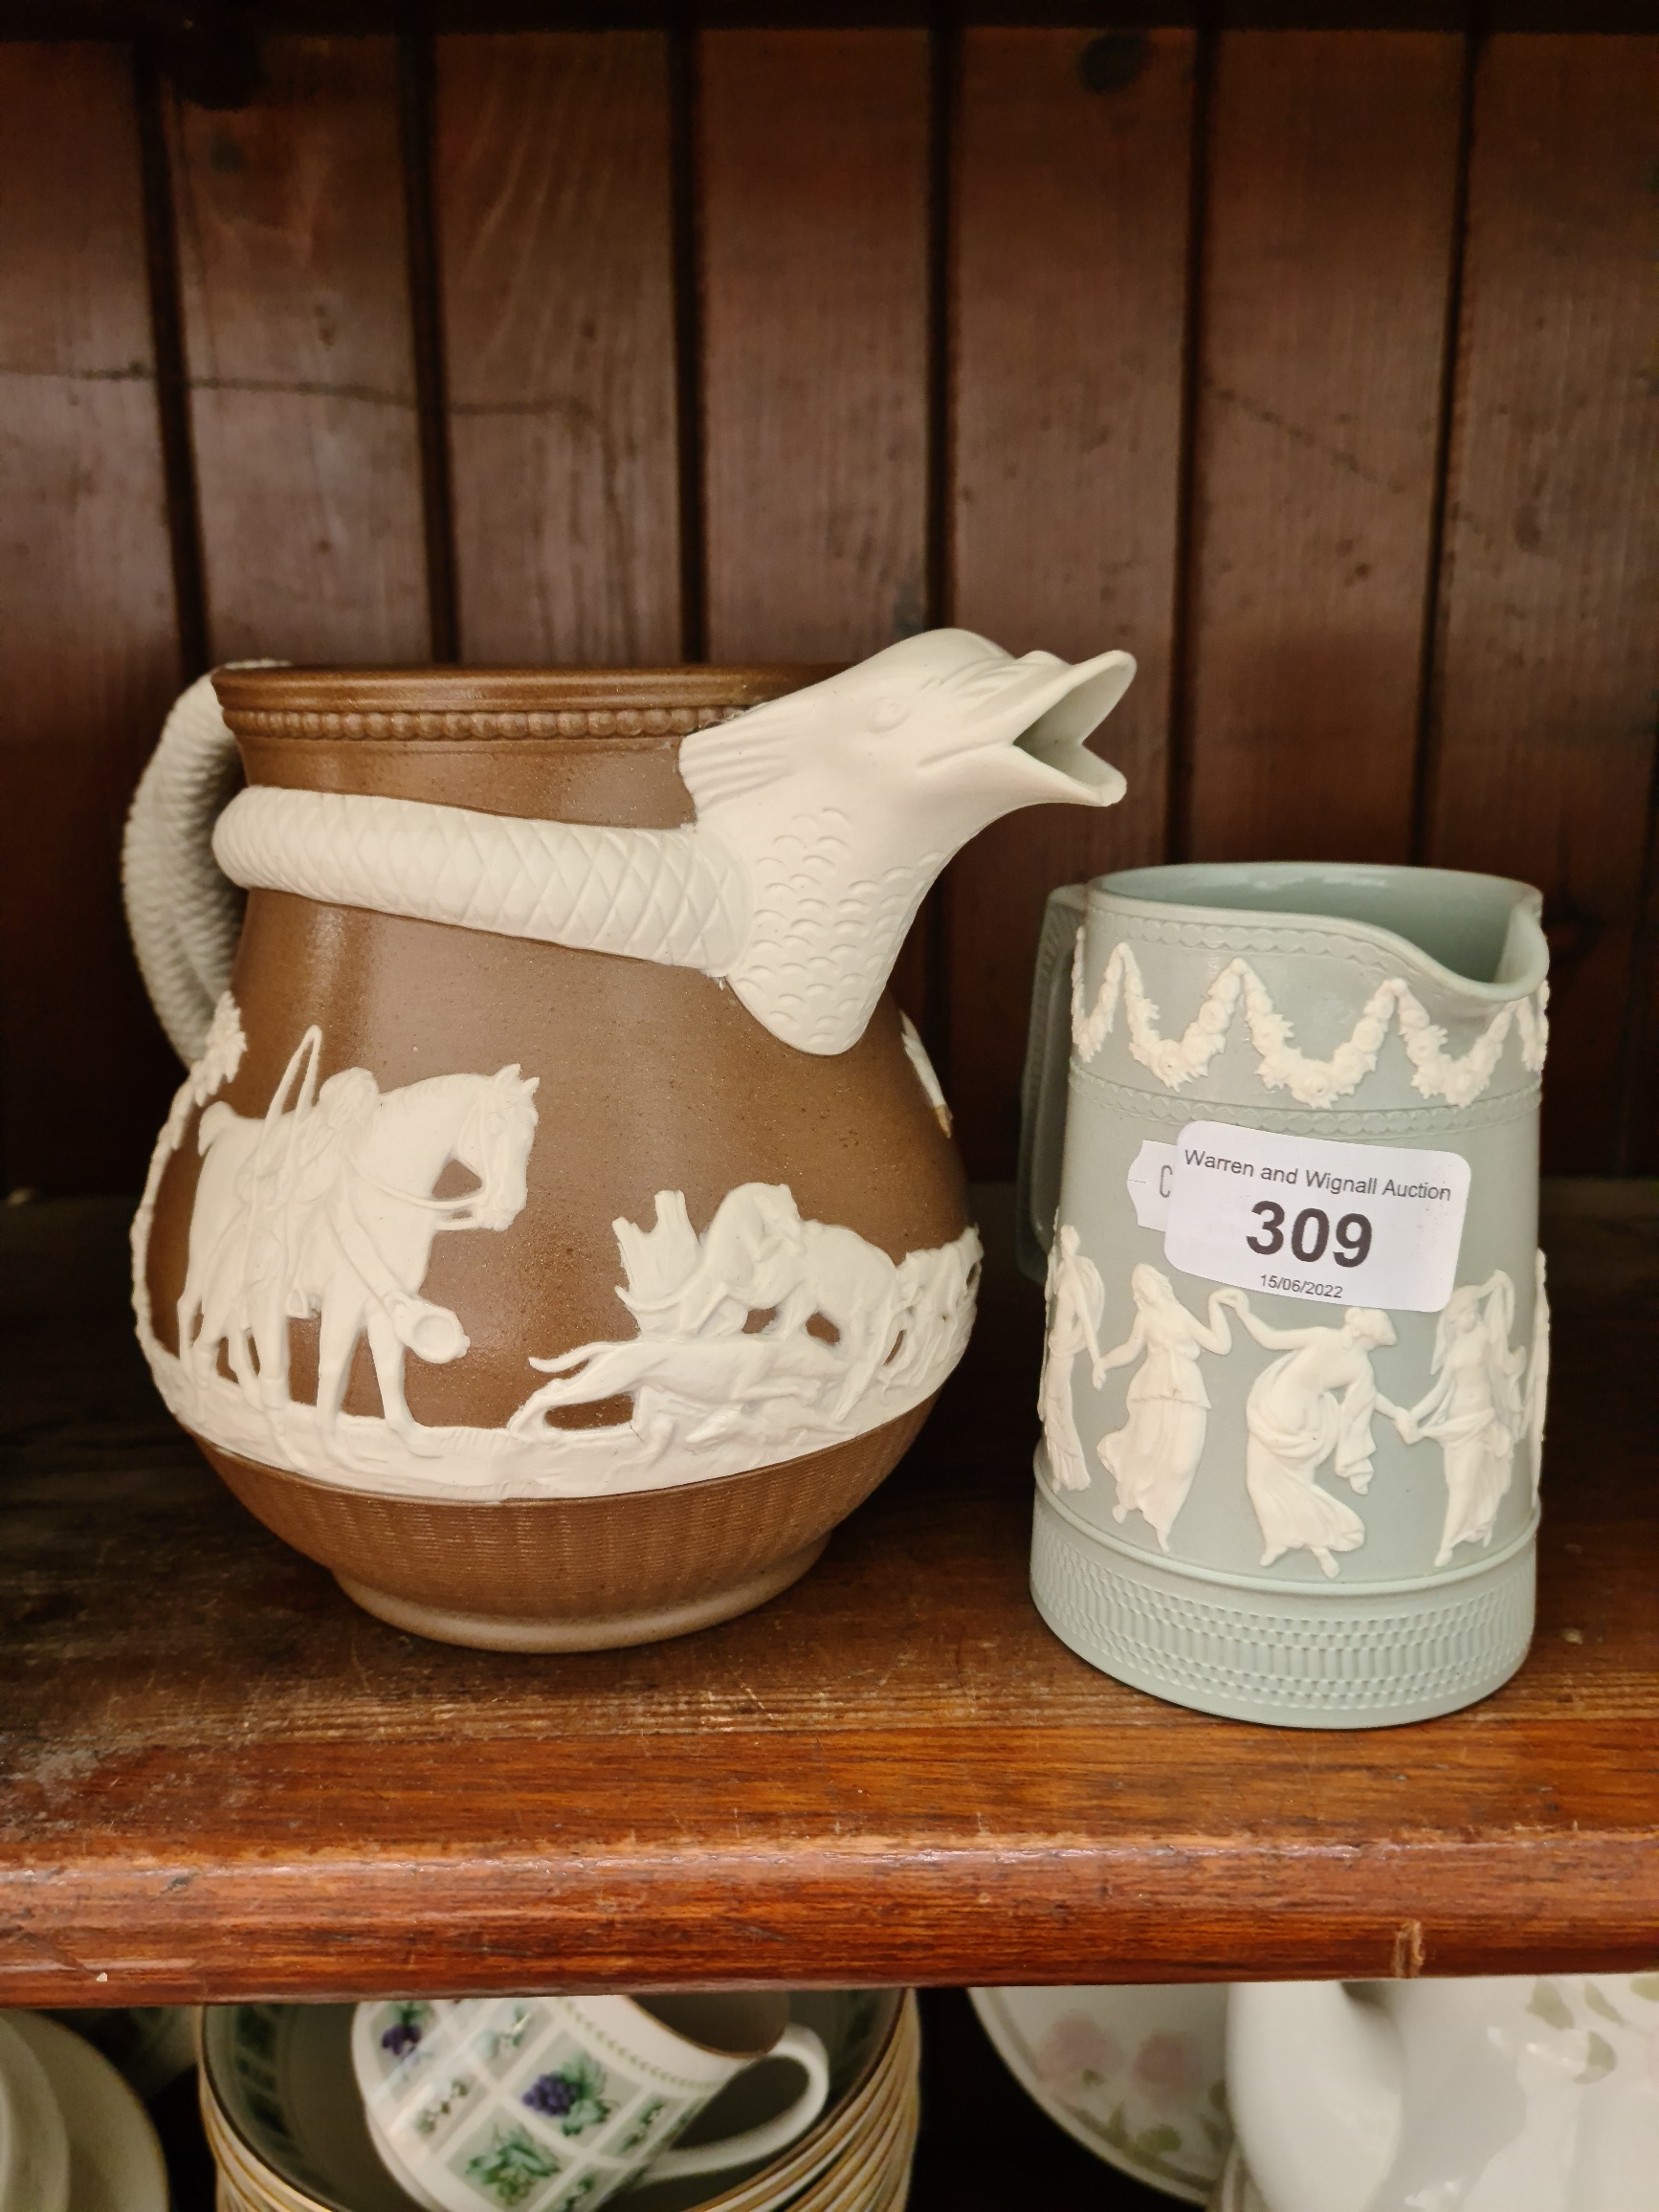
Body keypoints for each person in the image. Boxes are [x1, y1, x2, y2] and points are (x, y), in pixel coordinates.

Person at [1221, 1294, 1411, 1579]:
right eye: (1374, 1340)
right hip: (1309, 1423)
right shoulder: (1359, 1365)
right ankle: (1315, 1550)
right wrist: (1396, 1412)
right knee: (1296, 1488)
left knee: (1262, 1483)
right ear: (1364, 1334)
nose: (1372, 1346)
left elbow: (1270, 1338)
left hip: (1281, 1411)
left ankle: (1289, 1543)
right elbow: (1371, 1399)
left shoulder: (1328, 1341)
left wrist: (1245, 1314)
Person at [1094, 1265, 1233, 1550]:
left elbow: (1220, 1345)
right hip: (1154, 1389)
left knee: (1182, 1461)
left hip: (1187, 1392)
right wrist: (1102, 1362)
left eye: (1148, 1282)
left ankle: (1162, 1521)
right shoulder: (1145, 1318)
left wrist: (1214, 1304)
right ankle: (1126, 1501)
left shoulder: (1181, 1315)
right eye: (1140, 1285)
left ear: (1161, 1284)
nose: (1145, 1289)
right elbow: (1130, 1350)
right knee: (1143, 1449)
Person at [1039, 1225, 1106, 1492]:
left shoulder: (1076, 1278)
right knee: (1053, 1402)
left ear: (1074, 1244)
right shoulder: (1062, 1269)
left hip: (1064, 1347)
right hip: (1056, 1342)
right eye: (1062, 1239)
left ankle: (1071, 1468)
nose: (1065, 1244)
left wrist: (1097, 1359)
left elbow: (1088, 1323)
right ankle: (1061, 1468)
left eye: (1068, 1240)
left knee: (1056, 1401)